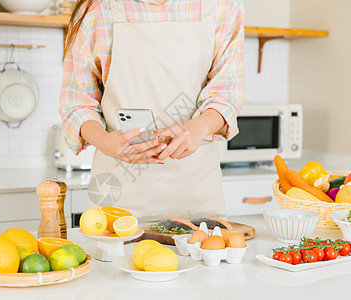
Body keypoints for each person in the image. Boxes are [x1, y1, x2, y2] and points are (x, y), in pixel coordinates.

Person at [60, 0, 244, 222]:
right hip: (117, 195)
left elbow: (227, 93)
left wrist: (197, 128)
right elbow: (77, 103)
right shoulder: (98, 9)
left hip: (196, 192)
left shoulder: (223, 7)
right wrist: (106, 142)